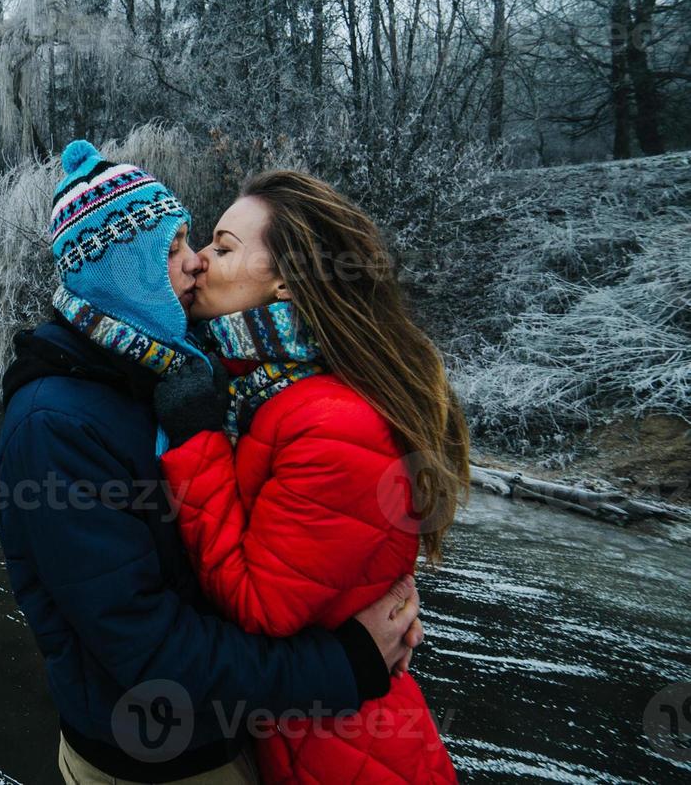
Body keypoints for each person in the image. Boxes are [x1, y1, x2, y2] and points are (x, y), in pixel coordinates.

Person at [0, 141, 424, 785]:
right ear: (124, 275)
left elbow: (290, 538)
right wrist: (346, 662)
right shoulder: (56, 428)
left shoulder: (176, 374)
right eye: (172, 250)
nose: (195, 263)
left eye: (205, 243)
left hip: (238, 733)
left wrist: (356, 588)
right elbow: (150, 651)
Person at [153, 169, 467, 783]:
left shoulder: (330, 422)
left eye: (222, 247)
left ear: (286, 283)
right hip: (303, 733)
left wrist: (195, 443)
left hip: (348, 755)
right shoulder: (256, 389)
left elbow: (261, 605)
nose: (199, 263)